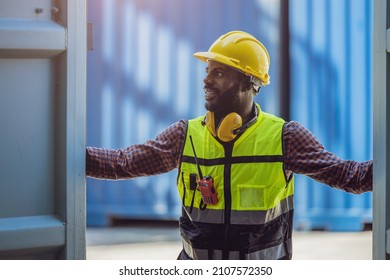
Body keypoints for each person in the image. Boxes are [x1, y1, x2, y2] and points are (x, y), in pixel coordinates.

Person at [86, 30, 373, 260]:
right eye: (208, 71)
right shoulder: (184, 136)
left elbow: (351, 177)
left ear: (250, 82)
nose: (206, 80)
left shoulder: (285, 138)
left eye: (219, 73)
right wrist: (55, 153)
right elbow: (122, 163)